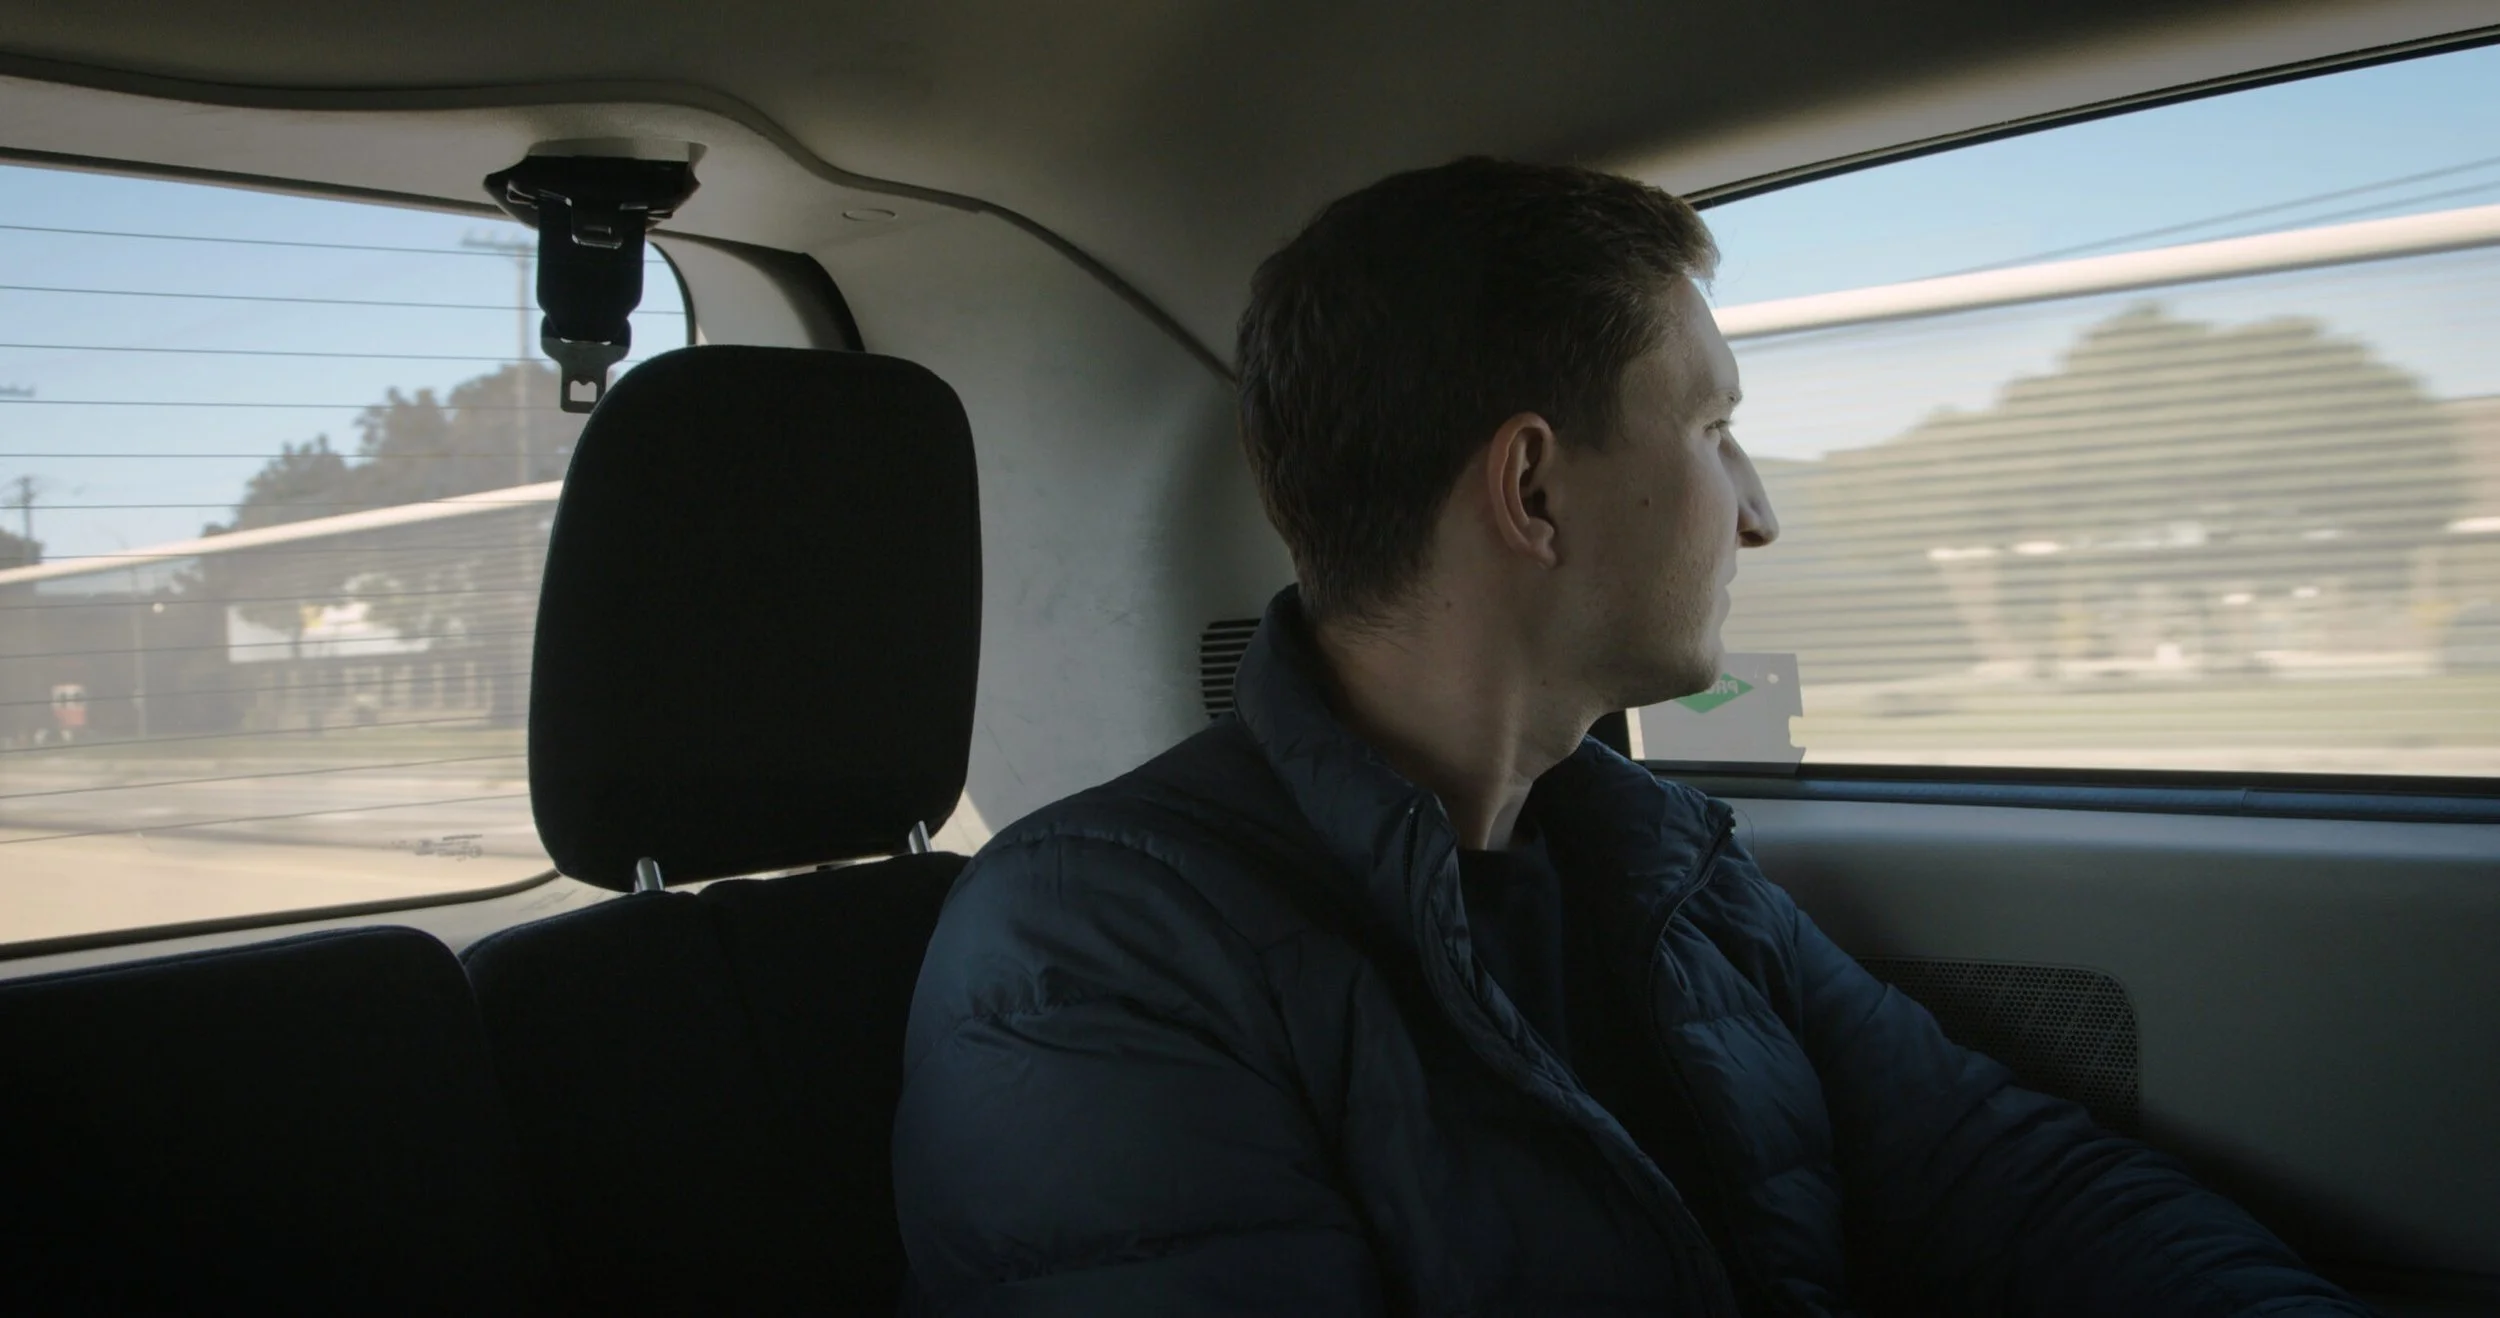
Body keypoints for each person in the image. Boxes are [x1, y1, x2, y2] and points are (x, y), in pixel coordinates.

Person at [892, 157, 2363, 1315]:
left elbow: (2005, 1178)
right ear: (1531, 490)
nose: (1762, 510)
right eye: (1715, 428)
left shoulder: (1658, 862)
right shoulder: (1088, 955)